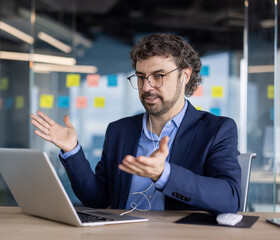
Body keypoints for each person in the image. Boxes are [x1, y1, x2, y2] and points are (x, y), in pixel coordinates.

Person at [30, 33, 241, 215]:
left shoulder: (216, 130)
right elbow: (97, 199)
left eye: (158, 76)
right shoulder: (119, 131)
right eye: (141, 77)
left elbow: (230, 198)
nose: (147, 87)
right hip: (123, 233)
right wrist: (72, 150)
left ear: (184, 76)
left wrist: (164, 174)